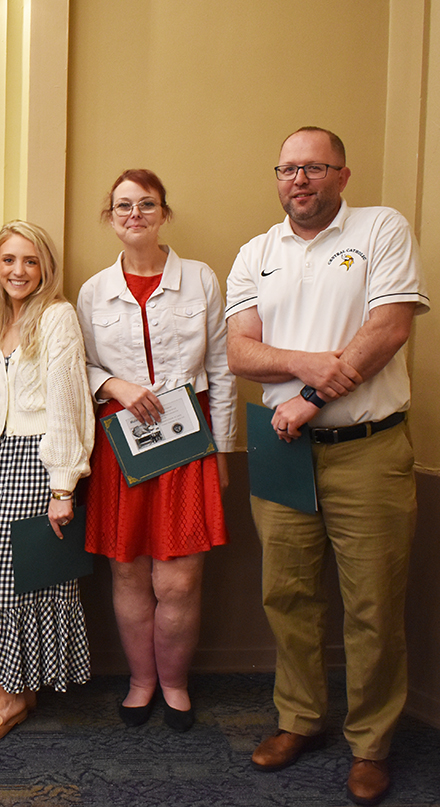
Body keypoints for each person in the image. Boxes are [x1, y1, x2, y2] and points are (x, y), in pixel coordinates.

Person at [225, 127, 430, 807]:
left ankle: (371, 741)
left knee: (373, 603)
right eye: (287, 168)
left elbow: (389, 328)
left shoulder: (381, 229)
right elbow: (240, 354)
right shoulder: (257, 252)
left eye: (314, 167)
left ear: (343, 174)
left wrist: (310, 396)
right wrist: (307, 363)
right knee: (288, 594)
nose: (299, 179)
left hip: (368, 449)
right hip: (281, 451)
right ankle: (299, 719)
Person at [76, 169, 236, 733]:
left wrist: (221, 453)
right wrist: (112, 386)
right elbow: (83, 367)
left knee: (178, 581)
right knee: (128, 576)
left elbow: (220, 367)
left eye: (146, 204)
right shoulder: (94, 290)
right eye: (123, 205)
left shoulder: (200, 279)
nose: (134, 214)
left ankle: (174, 683)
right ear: (110, 216)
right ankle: (141, 681)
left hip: (188, 445)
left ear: (164, 213)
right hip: (123, 448)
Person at [0, 220, 95, 746]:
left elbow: (67, 400)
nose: (19, 270)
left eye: (30, 261)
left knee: (17, 580)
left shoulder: (57, 317)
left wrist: (63, 486)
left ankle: (9, 700)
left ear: (45, 268)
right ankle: (16, 687)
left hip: (39, 462)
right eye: (9, 260)